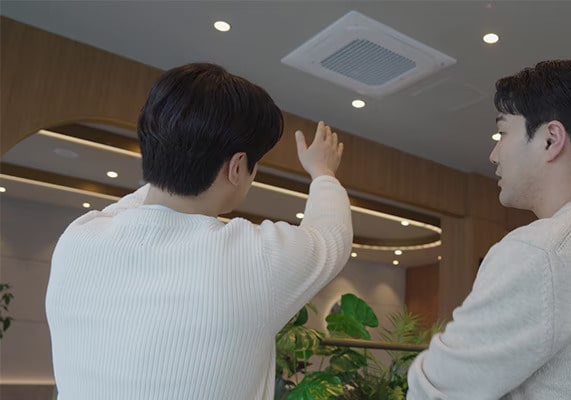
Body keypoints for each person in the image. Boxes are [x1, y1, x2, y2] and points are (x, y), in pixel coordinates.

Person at [46, 63, 353, 400]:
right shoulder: (254, 259)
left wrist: (168, 149)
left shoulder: (79, 238)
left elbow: (141, 202)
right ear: (237, 168)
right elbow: (331, 234)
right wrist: (322, 171)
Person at [407, 59, 571, 399]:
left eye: (502, 132)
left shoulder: (542, 250)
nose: (493, 154)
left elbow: (435, 391)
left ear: (551, 139)